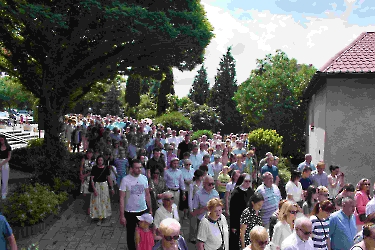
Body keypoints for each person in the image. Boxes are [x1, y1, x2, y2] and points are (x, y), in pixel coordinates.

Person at [119, 159, 152, 250]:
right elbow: (121, 198)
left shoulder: (144, 178)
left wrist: (150, 209)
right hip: (130, 212)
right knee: (130, 234)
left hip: (143, 210)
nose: (139, 170)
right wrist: (122, 215)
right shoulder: (125, 180)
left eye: (140, 167)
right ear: (131, 169)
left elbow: (147, 194)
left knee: (144, 232)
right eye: (137, 168)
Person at [230, 174, 254, 250]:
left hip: (248, 221)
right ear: (241, 181)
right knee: (237, 242)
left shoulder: (251, 191)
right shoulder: (236, 193)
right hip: (238, 222)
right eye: (246, 181)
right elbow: (233, 210)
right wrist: (233, 225)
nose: (248, 183)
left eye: (249, 181)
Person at [89, 155, 114, 225]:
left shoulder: (106, 168)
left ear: (103, 161)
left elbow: (109, 178)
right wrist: (94, 189)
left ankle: (103, 215)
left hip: (104, 186)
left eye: (101, 160)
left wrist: (111, 188)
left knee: (104, 201)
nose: (100, 162)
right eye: (99, 160)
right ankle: (98, 216)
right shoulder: (94, 168)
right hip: (97, 186)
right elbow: (92, 179)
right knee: (97, 201)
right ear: (97, 161)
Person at [188, 169, 204, 243]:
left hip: (201, 206)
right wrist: (191, 209)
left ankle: (199, 236)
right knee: (193, 223)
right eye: (201, 176)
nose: (202, 177)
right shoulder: (192, 185)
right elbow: (190, 197)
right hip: (194, 206)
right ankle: (192, 237)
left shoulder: (203, 185)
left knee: (200, 222)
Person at [80, 149, 95, 214]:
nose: (89, 155)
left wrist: (85, 175)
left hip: (91, 178)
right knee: (85, 193)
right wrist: (81, 176)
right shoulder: (84, 160)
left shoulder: (93, 161)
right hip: (85, 178)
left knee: (91, 193)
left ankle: (90, 207)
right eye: (88, 153)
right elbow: (81, 168)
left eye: (90, 153)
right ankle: (87, 206)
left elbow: (93, 171)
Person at [0, 134, 12, 200]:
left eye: (2, 139)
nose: (1, 140)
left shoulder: (8, 147)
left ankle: (4, 194)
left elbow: (9, 157)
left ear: (4, 139)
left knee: (5, 179)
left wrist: (1, 164)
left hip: (5, 163)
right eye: (0, 139)